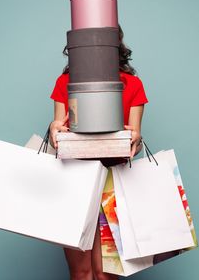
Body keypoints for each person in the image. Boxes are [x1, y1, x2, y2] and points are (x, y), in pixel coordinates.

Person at [49, 25, 148, 280]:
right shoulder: (65, 82)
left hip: (114, 183)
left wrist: (133, 140)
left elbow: (134, 142)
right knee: (81, 272)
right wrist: (54, 129)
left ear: (114, 45)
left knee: (107, 274)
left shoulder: (133, 84)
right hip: (73, 179)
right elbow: (58, 135)